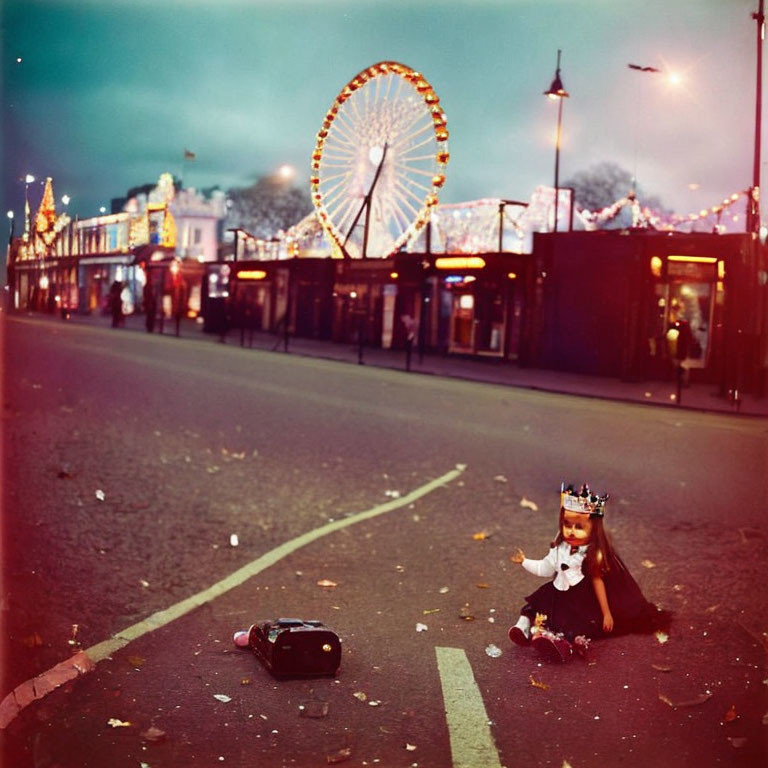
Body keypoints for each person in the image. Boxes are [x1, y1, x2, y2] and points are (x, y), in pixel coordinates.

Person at [508, 483, 670, 662]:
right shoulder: (559, 547)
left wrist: (607, 613)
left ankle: (559, 644)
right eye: (567, 524)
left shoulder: (592, 553)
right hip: (557, 592)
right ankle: (522, 627)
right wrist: (525, 562)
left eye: (579, 527)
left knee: (572, 624)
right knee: (537, 606)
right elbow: (545, 568)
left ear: (593, 530)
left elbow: (598, 582)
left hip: (581, 598)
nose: (571, 531)